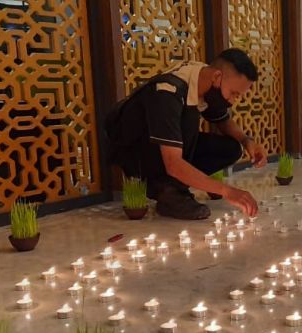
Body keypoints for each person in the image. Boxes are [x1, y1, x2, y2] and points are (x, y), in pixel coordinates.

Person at [104, 48, 266, 220]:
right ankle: (168, 192)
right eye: (234, 93)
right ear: (217, 77)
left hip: (165, 149)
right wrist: (226, 190)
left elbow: (223, 120)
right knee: (188, 120)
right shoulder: (168, 93)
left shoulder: (204, 77)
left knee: (231, 148)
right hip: (135, 152)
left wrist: (247, 141)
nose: (232, 101)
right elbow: (173, 163)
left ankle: (174, 185)